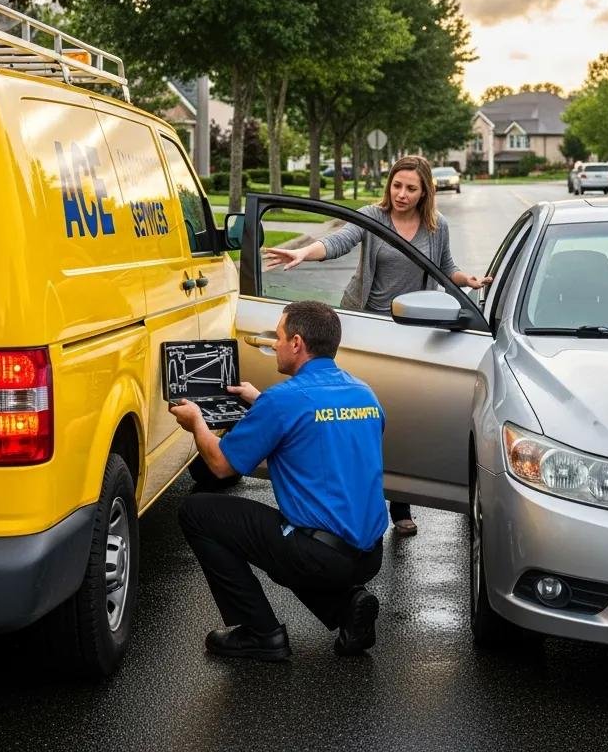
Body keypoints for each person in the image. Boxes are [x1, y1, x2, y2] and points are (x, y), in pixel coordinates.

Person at [263, 154, 492, 538]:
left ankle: (400, 501)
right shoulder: (374, 216)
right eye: (397, 185)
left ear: (424, 192)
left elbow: (444, 266)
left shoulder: (437, 227)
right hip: (366, 326)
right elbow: (339, 241)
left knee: (401, 416)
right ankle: (357, 499)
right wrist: (304, 252)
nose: (401, 194)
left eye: (411, 188)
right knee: (361, 419)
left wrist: (464, 279)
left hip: (411, 331)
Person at [168, 300, 387, 662]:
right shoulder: (365, 394)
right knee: (287, 537)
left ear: (297, 344)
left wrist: (197, 424)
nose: (275, 344)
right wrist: (260, 402)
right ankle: (346, 607)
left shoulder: (283, 401)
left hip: (319, 554)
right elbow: (320, 425)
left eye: (279, 337)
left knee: (197, 511)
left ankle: (260, 633)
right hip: (368, 555)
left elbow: (221, 466)